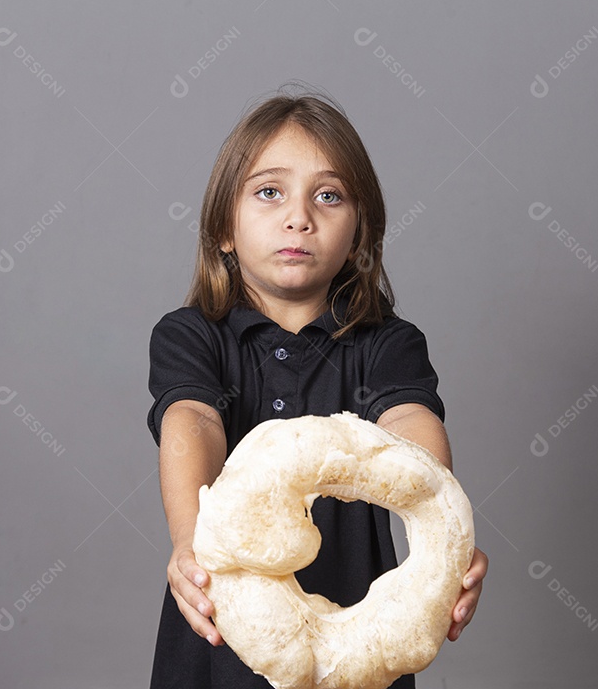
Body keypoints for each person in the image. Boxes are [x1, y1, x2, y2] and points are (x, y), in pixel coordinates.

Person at [146, 85, 488, 688]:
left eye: (328, 196)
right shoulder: (194, 336)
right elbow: (192, 421)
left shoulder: (386, 343)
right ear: (224, 226)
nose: (298, 216)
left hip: (361, 648)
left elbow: (408, 426)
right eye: (269, 191)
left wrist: (443, 542)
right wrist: (188, 546)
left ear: (358, 235)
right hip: (221, 631)